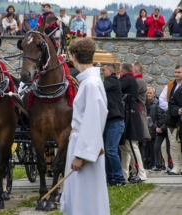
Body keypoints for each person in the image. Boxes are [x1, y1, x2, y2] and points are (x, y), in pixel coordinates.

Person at [60, 37, 110, 215]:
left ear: (73, 56)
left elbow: (93, 121)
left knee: (87, 198)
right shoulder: (88, 82)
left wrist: (81, 155)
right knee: (79, 196)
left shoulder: (92, 84)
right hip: (80, 143)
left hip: (85, 149)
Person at [119, 63, 146, 184]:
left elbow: (116, 87)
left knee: (132, 145)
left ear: (122, 72)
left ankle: (141, 173)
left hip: (131, 115)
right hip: (130, 114)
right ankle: (124, 175)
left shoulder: (127, 79)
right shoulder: (132, 79)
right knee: (124, 147)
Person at [102, 63, 125, 186]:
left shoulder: (112, 80)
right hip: (110, 121)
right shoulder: (111, 81)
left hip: (115, 121)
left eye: (103, 70)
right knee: (107, 151)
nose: (102, 72)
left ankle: (119, 178)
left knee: (111, 150)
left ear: (110, 71)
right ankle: (111, 178)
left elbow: (99, 87)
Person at [160, 65, 182, 175]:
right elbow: (163, 101)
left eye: (179, 72)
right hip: (173, 119)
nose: (177, 74)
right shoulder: (170, 86)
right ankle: (177, 166)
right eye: (176, 72)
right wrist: (175, 111)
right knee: (174, 144)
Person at [147, 87, 171, 173]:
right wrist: (156, 127)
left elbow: (170, 119)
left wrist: (162, 128)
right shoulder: (158, 106)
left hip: (167, 128)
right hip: (159, 129)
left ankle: (170, 165)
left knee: (168, 148)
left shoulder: (170, 106)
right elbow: (156, 118)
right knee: (156, 147)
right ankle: (158, 165)